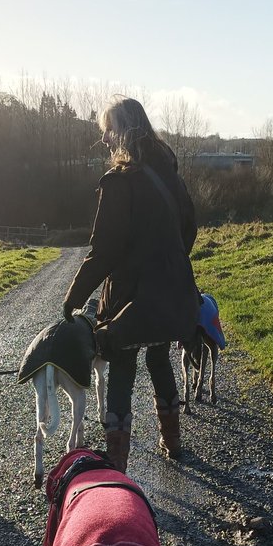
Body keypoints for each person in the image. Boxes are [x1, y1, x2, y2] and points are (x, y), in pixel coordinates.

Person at [62, 97, 200, 473]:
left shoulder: (120, 182)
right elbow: (190, 229)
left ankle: (117, 463)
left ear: (123, 131)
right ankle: (172, 442)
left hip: (130, 296)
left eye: (108, 130)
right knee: (158, 356)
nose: (104, 139)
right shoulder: (170, 174)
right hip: (171, 293)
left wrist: (72, 299)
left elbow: (103, 252)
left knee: (121, 362)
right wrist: (168, 264)